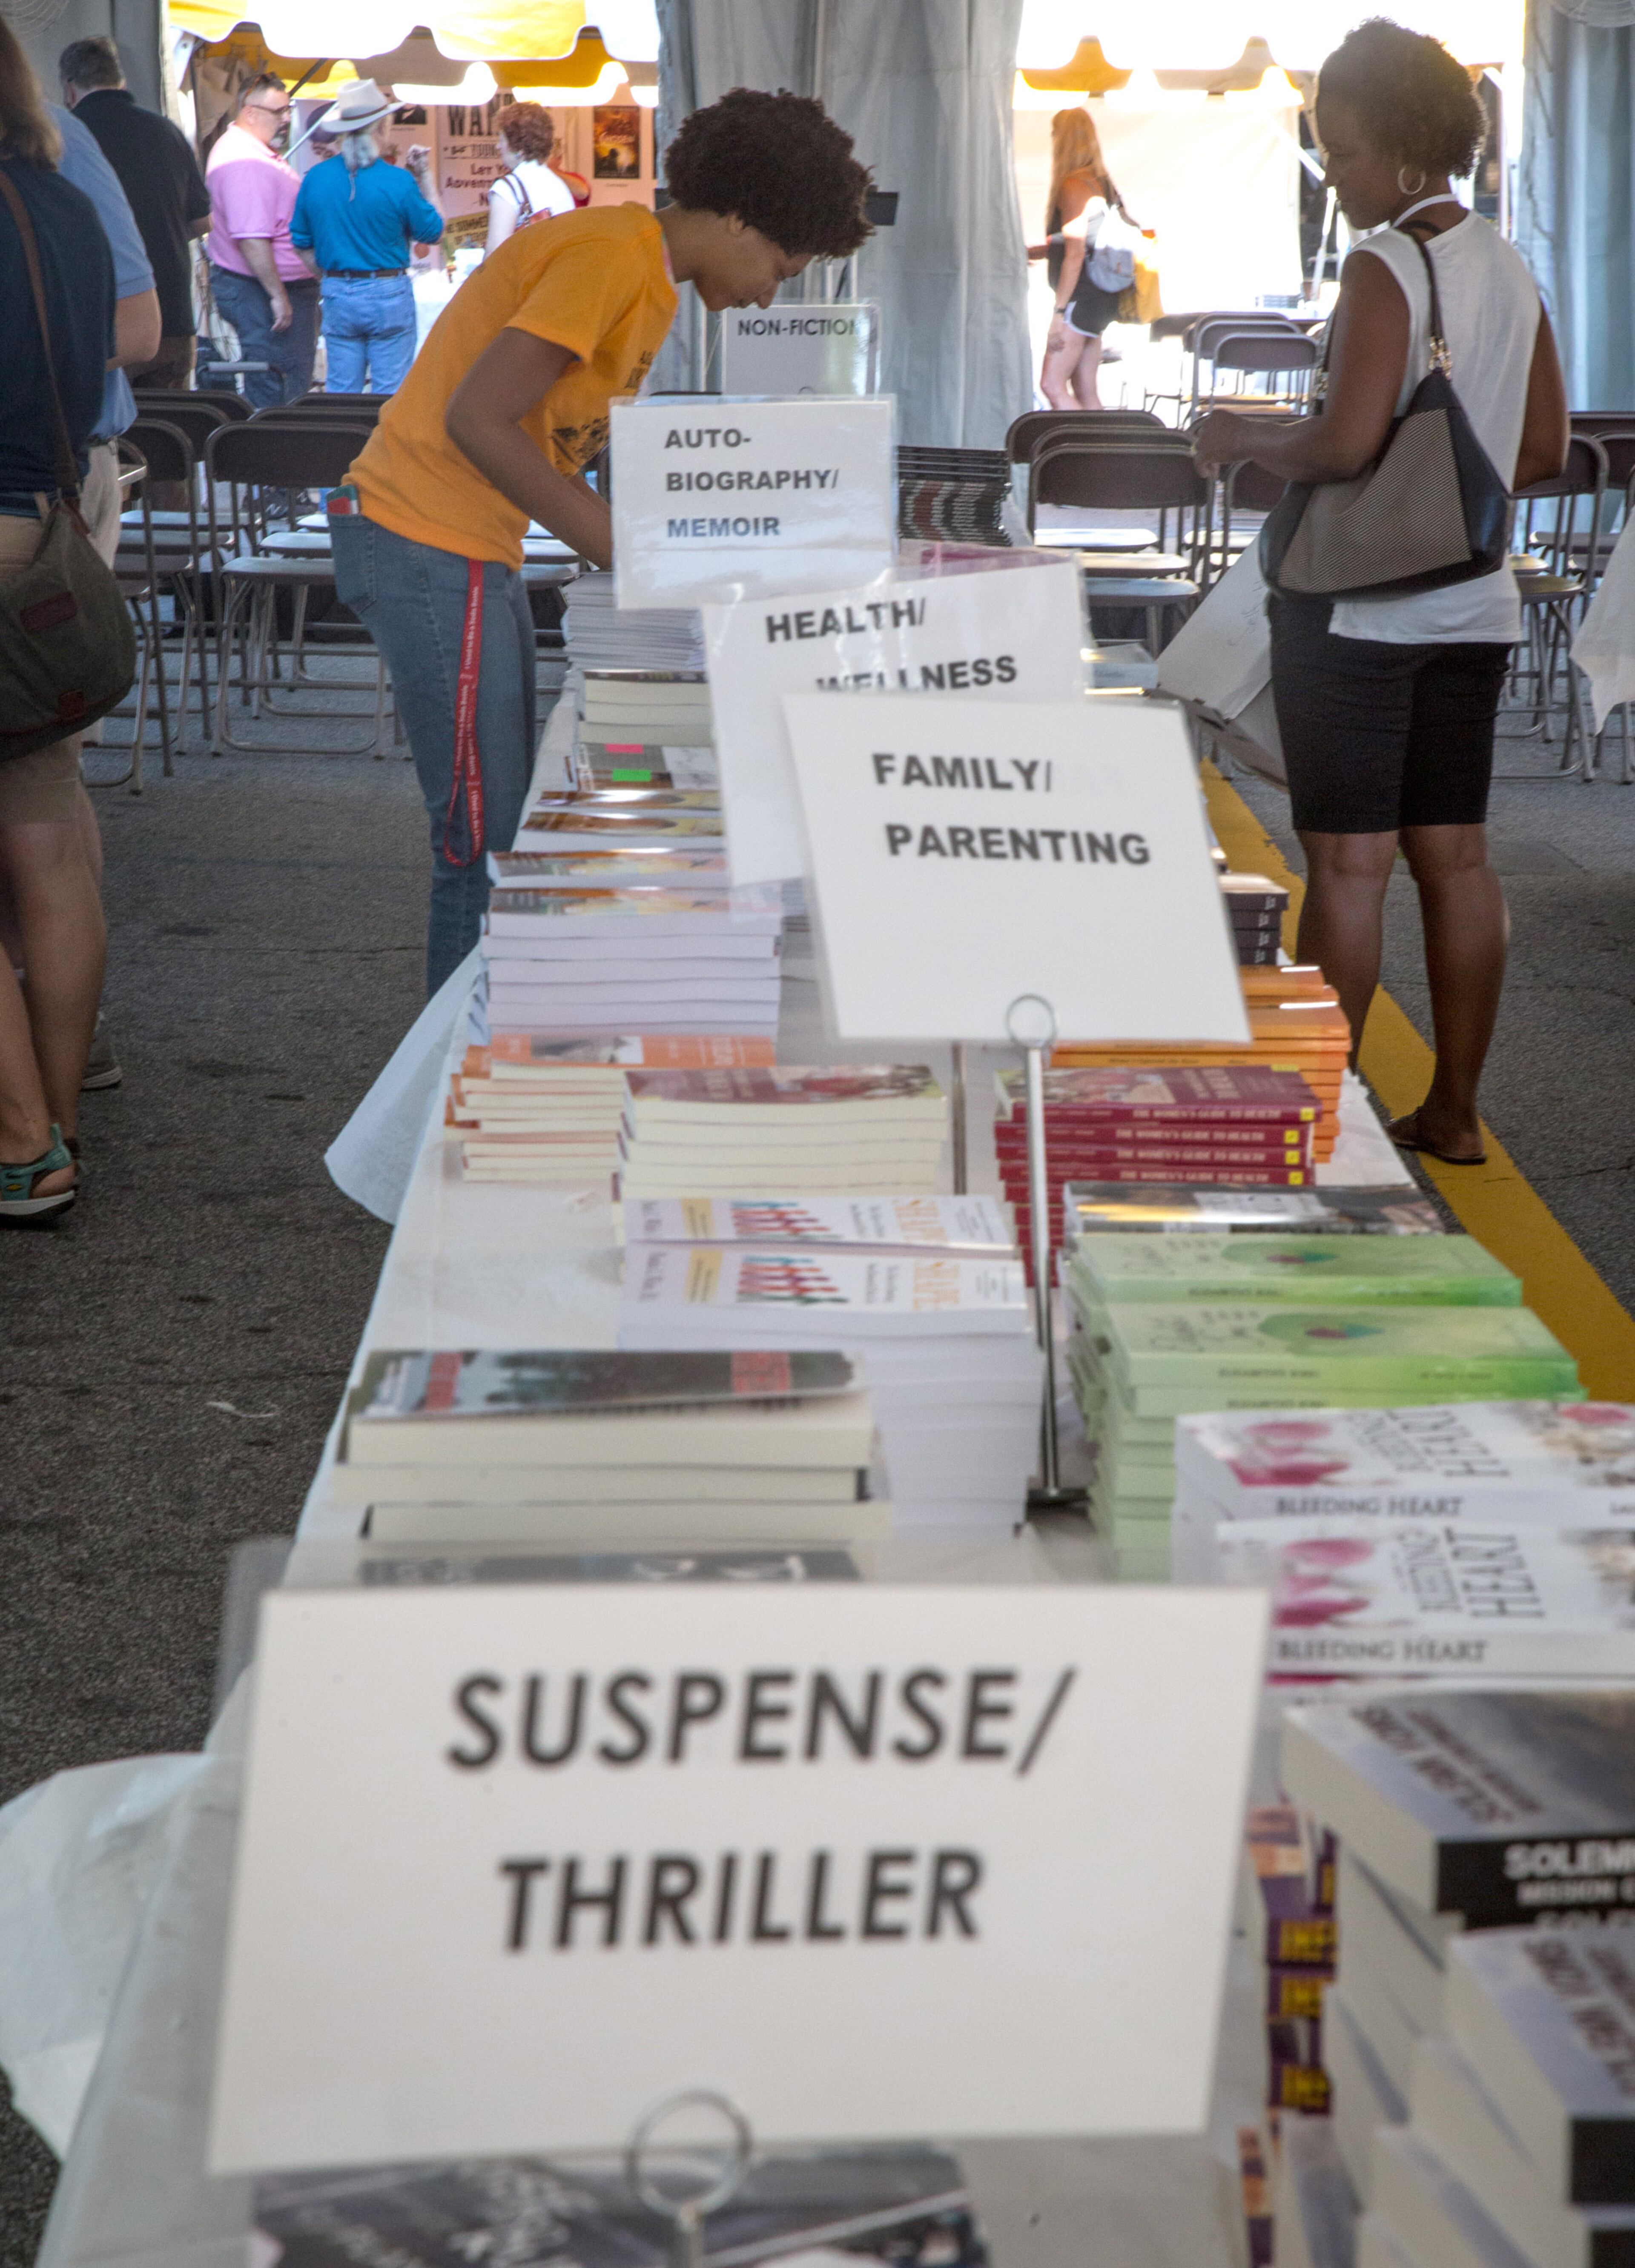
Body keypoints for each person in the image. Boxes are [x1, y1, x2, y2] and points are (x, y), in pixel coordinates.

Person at [330, 86, 872, 994]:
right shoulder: (613, 255)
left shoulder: (642, 273)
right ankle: (462, 1083)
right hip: (425, 537)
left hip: (464, 546)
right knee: (483, 840)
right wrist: (638, 557)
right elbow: (481, 420)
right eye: (784, 262)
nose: (774, 291)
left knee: (505, 824)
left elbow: (542, 438)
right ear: (739, 213)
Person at [1194, 19, 1569, 1167]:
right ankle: (1453, 1115)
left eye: (1345, 152)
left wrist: (1243, 440)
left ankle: (1321, 1122)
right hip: (1476, 606)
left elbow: (1350, 443)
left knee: (1348, 865)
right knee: (1457, 860)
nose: (1335, 176)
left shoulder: (1385, 263)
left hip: (1359, 614)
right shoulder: (1510, 263)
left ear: (1407, 151)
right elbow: (1544, 446)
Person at [0, 21, 120, 1219]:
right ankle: (61, 1118)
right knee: (45, 833)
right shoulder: (67, 207)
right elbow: (102, 381)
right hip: (43, 542)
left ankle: (21, 1138)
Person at [58, 34, 211, 394]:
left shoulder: (63, 136)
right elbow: (204, 222)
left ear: (69, 87)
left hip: (98, 329)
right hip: (171, 316)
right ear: (120, 79)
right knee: (171, 440)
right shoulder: (167, 131)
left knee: (107, 442)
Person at [290, 80, 442, 395]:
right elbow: (435, 231)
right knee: (389, 396)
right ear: (382, 127)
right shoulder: (398, 181)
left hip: (338, 291)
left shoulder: (316, 179)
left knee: (341, 393)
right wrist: (425, 176)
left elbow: (301, 243)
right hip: (388, 292)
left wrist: (332, 277)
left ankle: (342, 445)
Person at [205, 72, 318, 407]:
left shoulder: (253, 151)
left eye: (288, 110)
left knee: (283, 381)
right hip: (260, 289)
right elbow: (252, 239)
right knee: (277, 387)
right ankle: (275, 453)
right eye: (279, 112)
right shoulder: (244, 162)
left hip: (272, 288)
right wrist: (278, 296)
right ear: (250, 112)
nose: (286, 120)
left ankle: (280, 448)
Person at [1030, 107, 1130, 412]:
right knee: (1085, 389)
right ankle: (1103, 456)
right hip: (1101, 301)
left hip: (1080, 301)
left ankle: (1080, 455)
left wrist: (1058, 315)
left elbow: (1075, 255)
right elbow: (1083, 246)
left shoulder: (1073, 186)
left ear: (1062, 140)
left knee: (1052, 385)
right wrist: (1029, 253)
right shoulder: (1102, 185)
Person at [485, 100, 573, 257]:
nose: (498, 147)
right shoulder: (560, 186)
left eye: (502, 140)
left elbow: (495, 259)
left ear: (518, 148)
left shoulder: (508, 188)